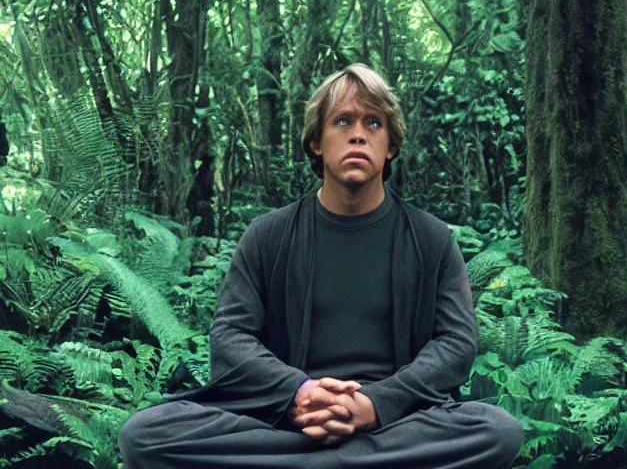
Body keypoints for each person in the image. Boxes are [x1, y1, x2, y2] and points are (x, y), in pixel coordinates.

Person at [118, 63, 524, 468]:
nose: (359, 135)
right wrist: (298, 392)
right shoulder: (267, 236)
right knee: (145, 435)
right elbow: (230, 339)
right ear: (317, 142)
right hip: (286, 423)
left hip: (394, 423)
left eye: (374, 123)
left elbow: (455, 345)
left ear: (391, 146)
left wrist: (375, 403)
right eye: (343, 121)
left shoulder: (431, 239)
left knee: (497, 431)